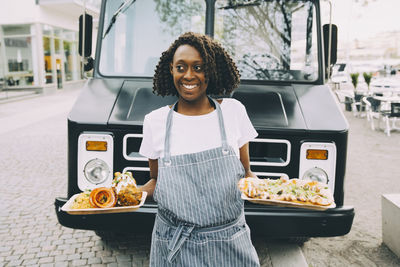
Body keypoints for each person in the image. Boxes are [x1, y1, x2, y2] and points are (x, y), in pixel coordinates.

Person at [139, 32, 260, 266]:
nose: (189, 75)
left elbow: (247, 174)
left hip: (230, 243)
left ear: (211, 71)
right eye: (181, 67)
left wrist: (262, 188)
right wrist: (124, 196)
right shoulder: (155, 121)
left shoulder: (234, 112)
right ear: (171, 71)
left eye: (198, 67)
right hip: (174, 247)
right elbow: (156, 181)